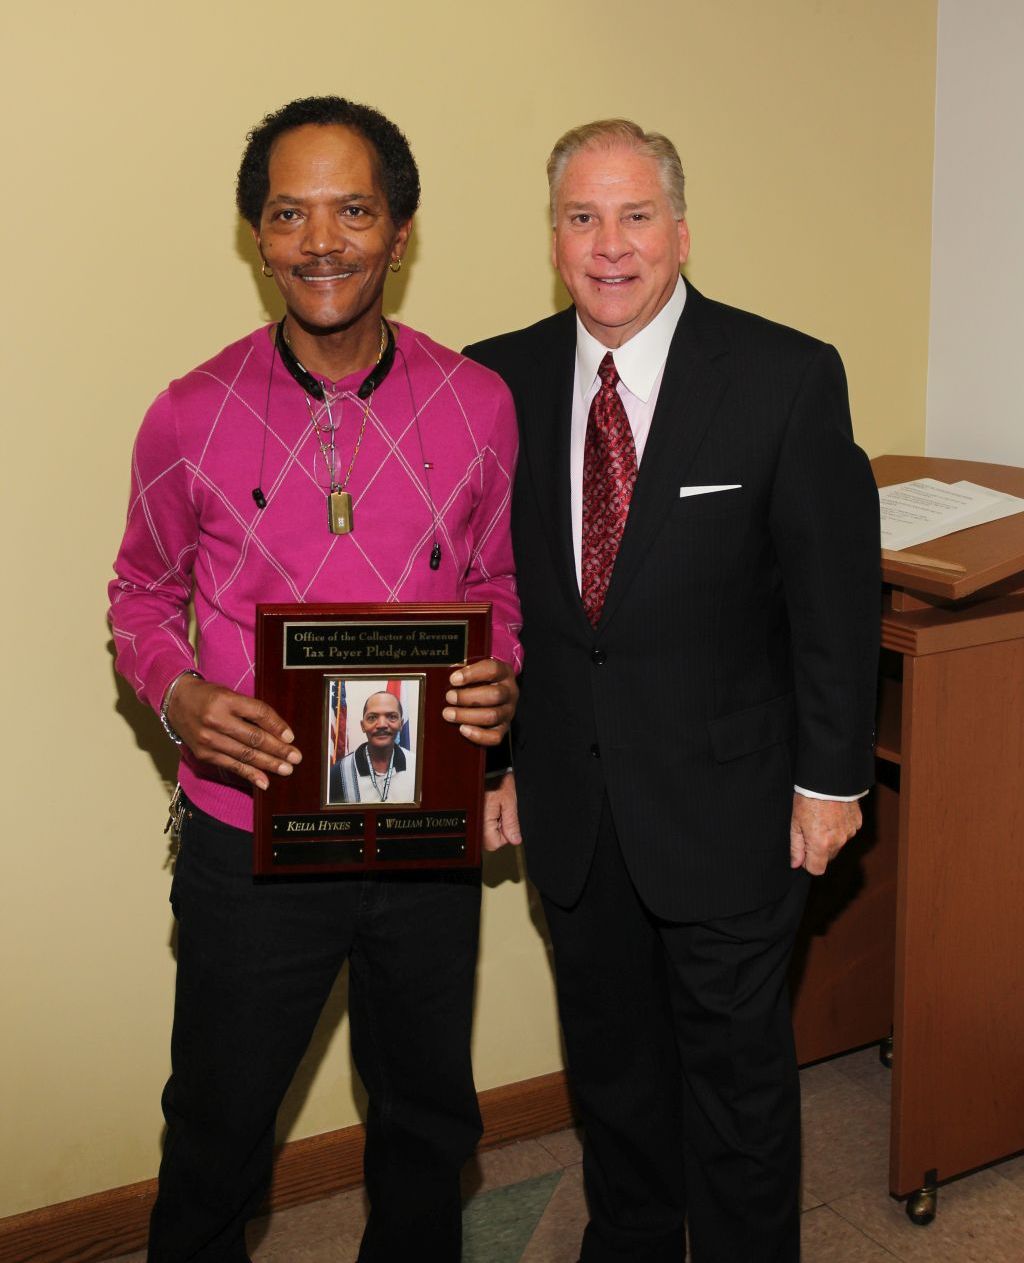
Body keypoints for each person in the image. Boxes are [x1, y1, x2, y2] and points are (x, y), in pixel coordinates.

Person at [109, 96, 521, 1263]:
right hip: (249, 839)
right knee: (218, 1134)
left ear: (401, 231)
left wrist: (504, 682)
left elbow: (502, 587)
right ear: (256, 235)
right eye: (290, 214)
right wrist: (180, 697)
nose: (321, 241)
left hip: (424, 831)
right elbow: (139, 594)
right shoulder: (188, 414)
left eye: (354, 210)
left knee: (428, 1127)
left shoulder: (477, 404)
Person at [465, 119, 880, 1262]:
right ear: (551, 238)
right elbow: (484, 596)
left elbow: (832, 604)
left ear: (681, 231)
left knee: (737, 1090)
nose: (611, 245)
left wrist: (831, 781)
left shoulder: (785, 376)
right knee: (611, 1076)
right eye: (582, 218)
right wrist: (492, 764)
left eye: (636, 215)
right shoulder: (492, 380)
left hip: (737, 809)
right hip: (573, 810)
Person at [330, 691, 417, 804]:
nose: (381, 724)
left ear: (401, 724)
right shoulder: (339, 772)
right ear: (363, 726)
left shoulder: (418, 767)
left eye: (391, 717)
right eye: (372, 718)